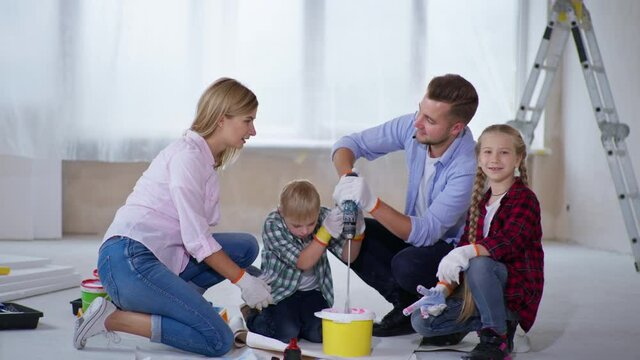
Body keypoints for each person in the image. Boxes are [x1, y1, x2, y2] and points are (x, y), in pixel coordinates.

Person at [73, 78, 273, 357]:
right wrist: (242, 280)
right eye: (247, 120)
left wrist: (246, 276)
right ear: (221, 119)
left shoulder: (204, 160)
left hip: (153, 256)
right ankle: (112, 318)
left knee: (247, 247)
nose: (253, 130)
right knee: (219, 341)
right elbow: (198, 241)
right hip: (129, 262)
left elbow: (198, 239)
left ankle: (181, 303)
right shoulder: (187, 159)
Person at [331, 74, 479, 336]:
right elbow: (350, 144)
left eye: (430, 120)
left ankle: (457, 304)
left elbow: (426, 233)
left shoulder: (468, 167)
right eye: (420, 111)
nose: (417, 123)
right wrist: (348, 178)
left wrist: (372, 202)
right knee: (338, 226)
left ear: (456, 129)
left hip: (451, 257)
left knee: (407, 264)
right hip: (415, 242)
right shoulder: (414, 127)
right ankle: (405, 304)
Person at [408, 124, 544, 360]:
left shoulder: (525, 198)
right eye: (488, 152)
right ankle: (492, 322)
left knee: (480, 263)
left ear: (518, 158)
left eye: (504, 152)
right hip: (481, 291)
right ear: (479, 158)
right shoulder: (480, 205)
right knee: (420, 321)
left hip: (513, 290)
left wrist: (466, 253)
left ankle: (497, 337)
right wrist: (443, 289)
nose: (495, 159)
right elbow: (462, 251)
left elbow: (509, 242)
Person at [244, 179, 365, 343]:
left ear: (317, 212)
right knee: (286, 333)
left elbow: (348, 257)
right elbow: (303, 262)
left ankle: (297, 322)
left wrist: (357, 233)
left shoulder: (323, 217)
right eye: (297, 225)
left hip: (313, 292)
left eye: (311, 223)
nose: (305, 231)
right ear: (282, 212)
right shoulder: (273, 224)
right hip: (281, 292)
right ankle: (254, 315)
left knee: (321, 335)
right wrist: (324, 233)